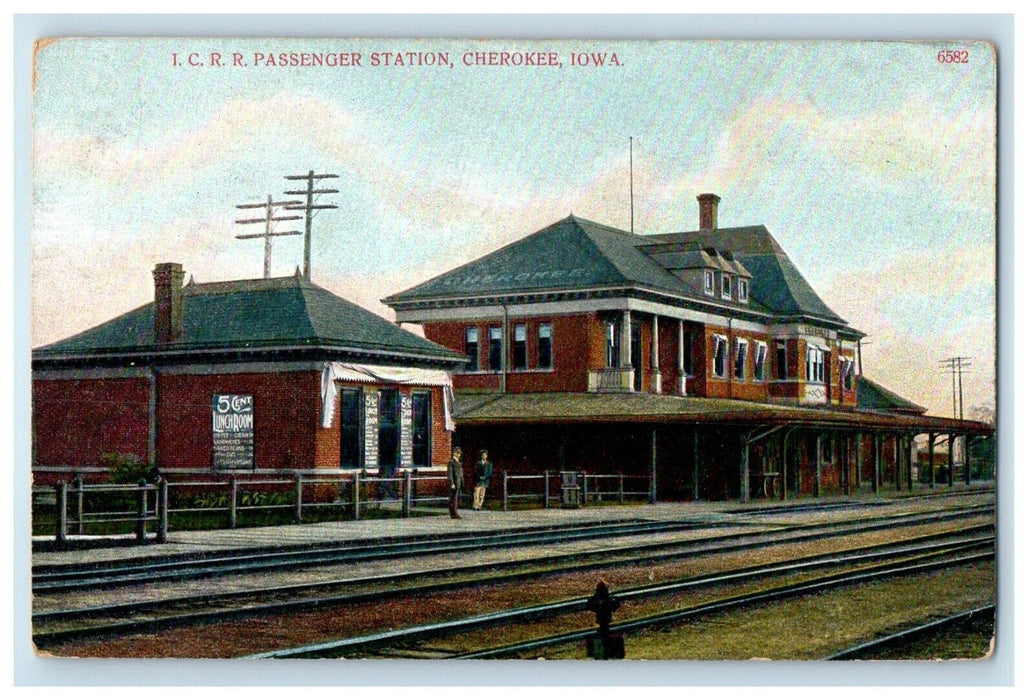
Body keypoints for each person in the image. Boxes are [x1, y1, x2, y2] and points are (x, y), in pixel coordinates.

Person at [447, 446, 464, 519]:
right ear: (454, 453)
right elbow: (450, 473)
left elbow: (460, 473)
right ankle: (453, 513)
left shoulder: (459, 463)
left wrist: (462, 481)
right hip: (454, 483)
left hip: (458, 482)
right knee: (453, 499)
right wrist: (452, 483)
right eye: (457, 453)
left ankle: (455, 512)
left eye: (459, 453)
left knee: (456, 499)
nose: (458, 454)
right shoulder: (451, 462)